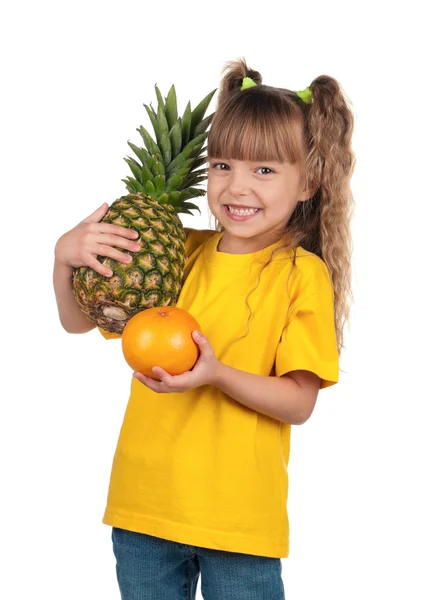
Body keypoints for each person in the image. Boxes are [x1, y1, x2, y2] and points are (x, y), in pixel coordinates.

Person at [53, 57, 355, 600]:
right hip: (144, 505)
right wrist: (63, 261)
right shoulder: (177, 249)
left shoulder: (301, 275)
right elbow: (79, 323)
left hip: (238, 522)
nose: (237, 187)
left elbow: (299, 402)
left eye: (264, 171)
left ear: (308, 181)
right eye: (222, 166)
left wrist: (215, 374)